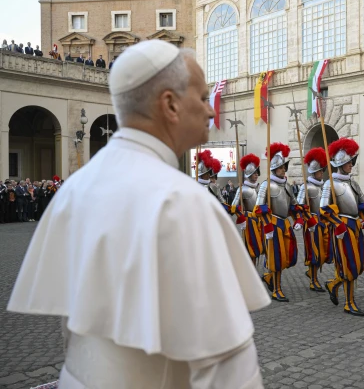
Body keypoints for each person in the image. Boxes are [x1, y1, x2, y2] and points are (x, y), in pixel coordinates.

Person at [7, 39, 270, 387]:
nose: (210, 111)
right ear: (170, 104)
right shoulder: (182, 201)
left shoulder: (73, 189)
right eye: (204, 97)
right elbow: (228, 365)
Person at [320, 138, 364, 316]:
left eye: (351, 161)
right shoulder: (330, 184)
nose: (351, 164)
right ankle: (349, 303)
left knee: (360, 264)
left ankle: (333, 283)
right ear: (340, 164)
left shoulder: (354, 183)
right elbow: (324, 210)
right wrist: (338, 224)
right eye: (348, 162)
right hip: (342, 229)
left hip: (355, 227)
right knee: (349, 265)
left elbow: (363, 204)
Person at [255, 142, 304, 302]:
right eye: (281, 167)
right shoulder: (265, 185)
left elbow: (294, 206)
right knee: (276, 258)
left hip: (285, 225)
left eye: (285, 167)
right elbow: (258, 208)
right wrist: (267, 226)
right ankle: (276, 289)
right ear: (275, 168)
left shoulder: (288, 186)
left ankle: (269, 277)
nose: (284, 169)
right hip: (273, 225)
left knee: (286, 257)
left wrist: (298, 219)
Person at [297, 147, 329, 292]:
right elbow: (299, 206)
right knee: (313, 252)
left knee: (323, 251)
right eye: (320, 170)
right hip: (311, 223)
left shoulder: (325, 186)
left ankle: (312, 273)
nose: (322, 172)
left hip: (323, 223)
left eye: (323, 170)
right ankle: (313, 280)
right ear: (313, 171)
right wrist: (307, 219)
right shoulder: (306, 187)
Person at [230, 153, 265, 267]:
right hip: (249, 222)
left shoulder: (259, 188)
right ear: (249, 174)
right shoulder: (242, 190)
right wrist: (242, 218)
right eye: (254, 173)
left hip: (259, 221)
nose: (256, 175)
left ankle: (254, 271)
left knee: (259, 248)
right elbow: (234, 206)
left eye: (257, 173)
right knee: (251, 249)